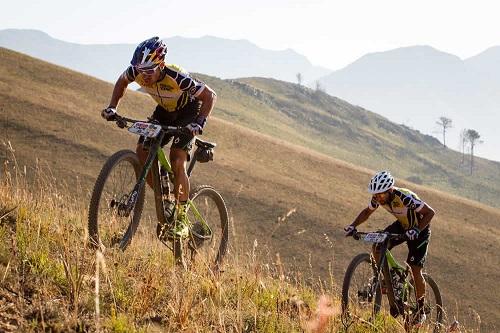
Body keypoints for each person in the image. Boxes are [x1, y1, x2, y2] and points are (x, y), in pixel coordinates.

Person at [101, 36, 217, 238]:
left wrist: (199, 123)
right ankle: (166, 198)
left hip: (188, 112)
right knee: (142, 151)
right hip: (164, 111)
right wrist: (112, 107)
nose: (143, 76)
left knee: (176, 158)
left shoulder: (177, 77)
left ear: (160, 64)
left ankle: (180, 218)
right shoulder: (136, 71)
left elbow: (210, 95)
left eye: (148, 71)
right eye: (140, 70)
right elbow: (122, 82)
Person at [344, 170, 435, 327]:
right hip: (402, 225)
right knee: (378, 245)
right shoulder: (377, 197)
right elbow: (367, 212)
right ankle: (389, 279)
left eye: (380, 195)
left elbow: (430, 213)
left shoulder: (405, 197)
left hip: (420, 229)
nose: (378, 198)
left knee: (415, 268)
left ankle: (420, 311)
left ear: (389, 190)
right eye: (376, 195)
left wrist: (417, 230)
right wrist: (353, 225)